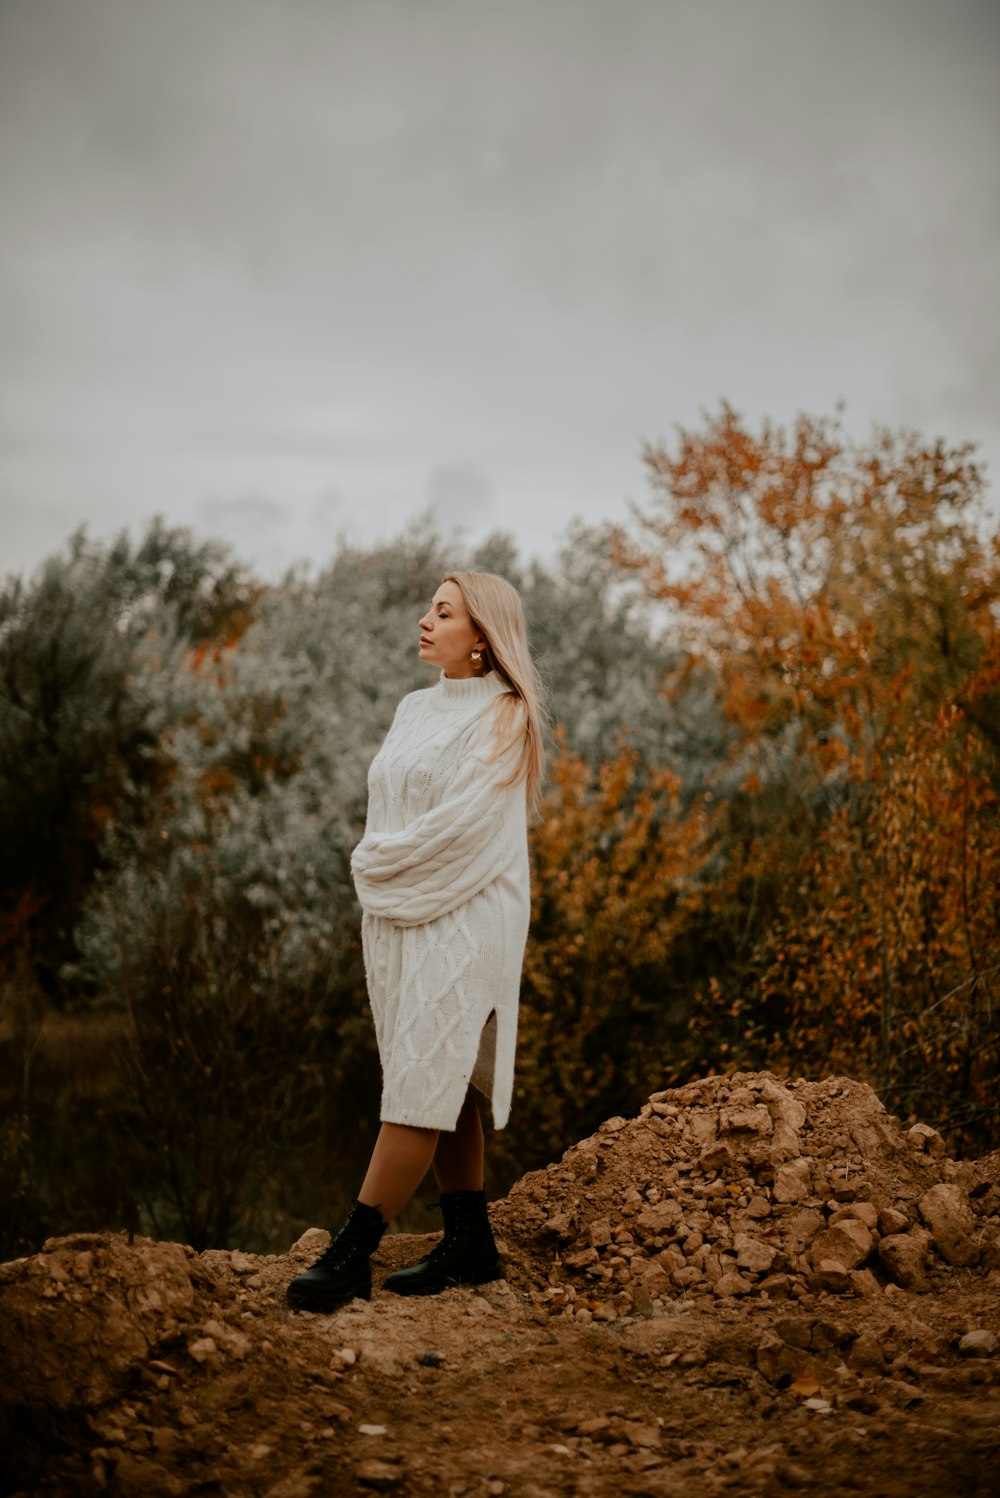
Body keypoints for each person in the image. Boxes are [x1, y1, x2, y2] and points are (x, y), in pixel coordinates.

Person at [287, 570, 546, 1313]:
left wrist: (373, 866)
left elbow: (462, 832)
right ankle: (469, 1243)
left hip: (468, 912)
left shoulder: (506, 716)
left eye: (445, 612)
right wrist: (383, 874)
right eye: (429, 609)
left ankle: (350, 1254)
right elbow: (392, 810)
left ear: (483, 639)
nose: (425, 621)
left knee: (419, 1083)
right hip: (403, 914)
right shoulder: (412, 708)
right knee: (443, 1076)